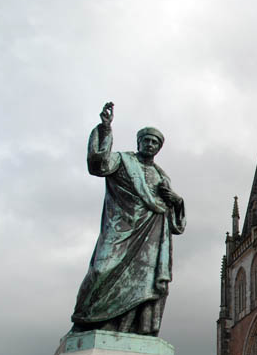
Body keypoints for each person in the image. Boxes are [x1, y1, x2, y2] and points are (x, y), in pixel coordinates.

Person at [71, 102, 185, 335]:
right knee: (100, 271)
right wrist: (105, 130)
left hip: (151, 235)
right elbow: (99, 165)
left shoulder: (162, 175)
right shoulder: (123, 160)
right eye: (147, 141)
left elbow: (173, 218)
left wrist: (176, 200)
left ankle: (132, 329)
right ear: (139, 142)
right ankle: (85, 322)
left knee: (146, 284)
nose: (150, 145)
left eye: (155, 142)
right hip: (121, 228)